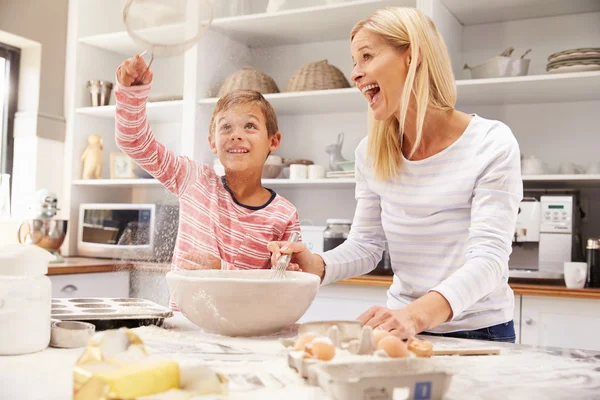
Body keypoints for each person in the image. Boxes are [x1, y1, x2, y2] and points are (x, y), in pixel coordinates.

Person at [268, 7, 523, 343]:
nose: (356, 74)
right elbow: (367, 244)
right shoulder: (370, 152)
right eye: (354, 63)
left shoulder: (490, 143)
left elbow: (489, 260)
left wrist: (414, 316)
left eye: (367, 56)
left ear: (412, 56)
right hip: (401, 327)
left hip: (480, 331)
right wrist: (317, 264)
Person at [115, 55, 301, 280]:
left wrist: (224, 271)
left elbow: (281, 288)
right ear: (212, 142)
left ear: (273, 140)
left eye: (250, 125)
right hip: (183, 316)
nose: (236, 135)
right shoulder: (194, 180)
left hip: (247, 316)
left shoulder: (284, 215)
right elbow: (134, 142)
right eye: (226, 127)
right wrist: (130, 95)